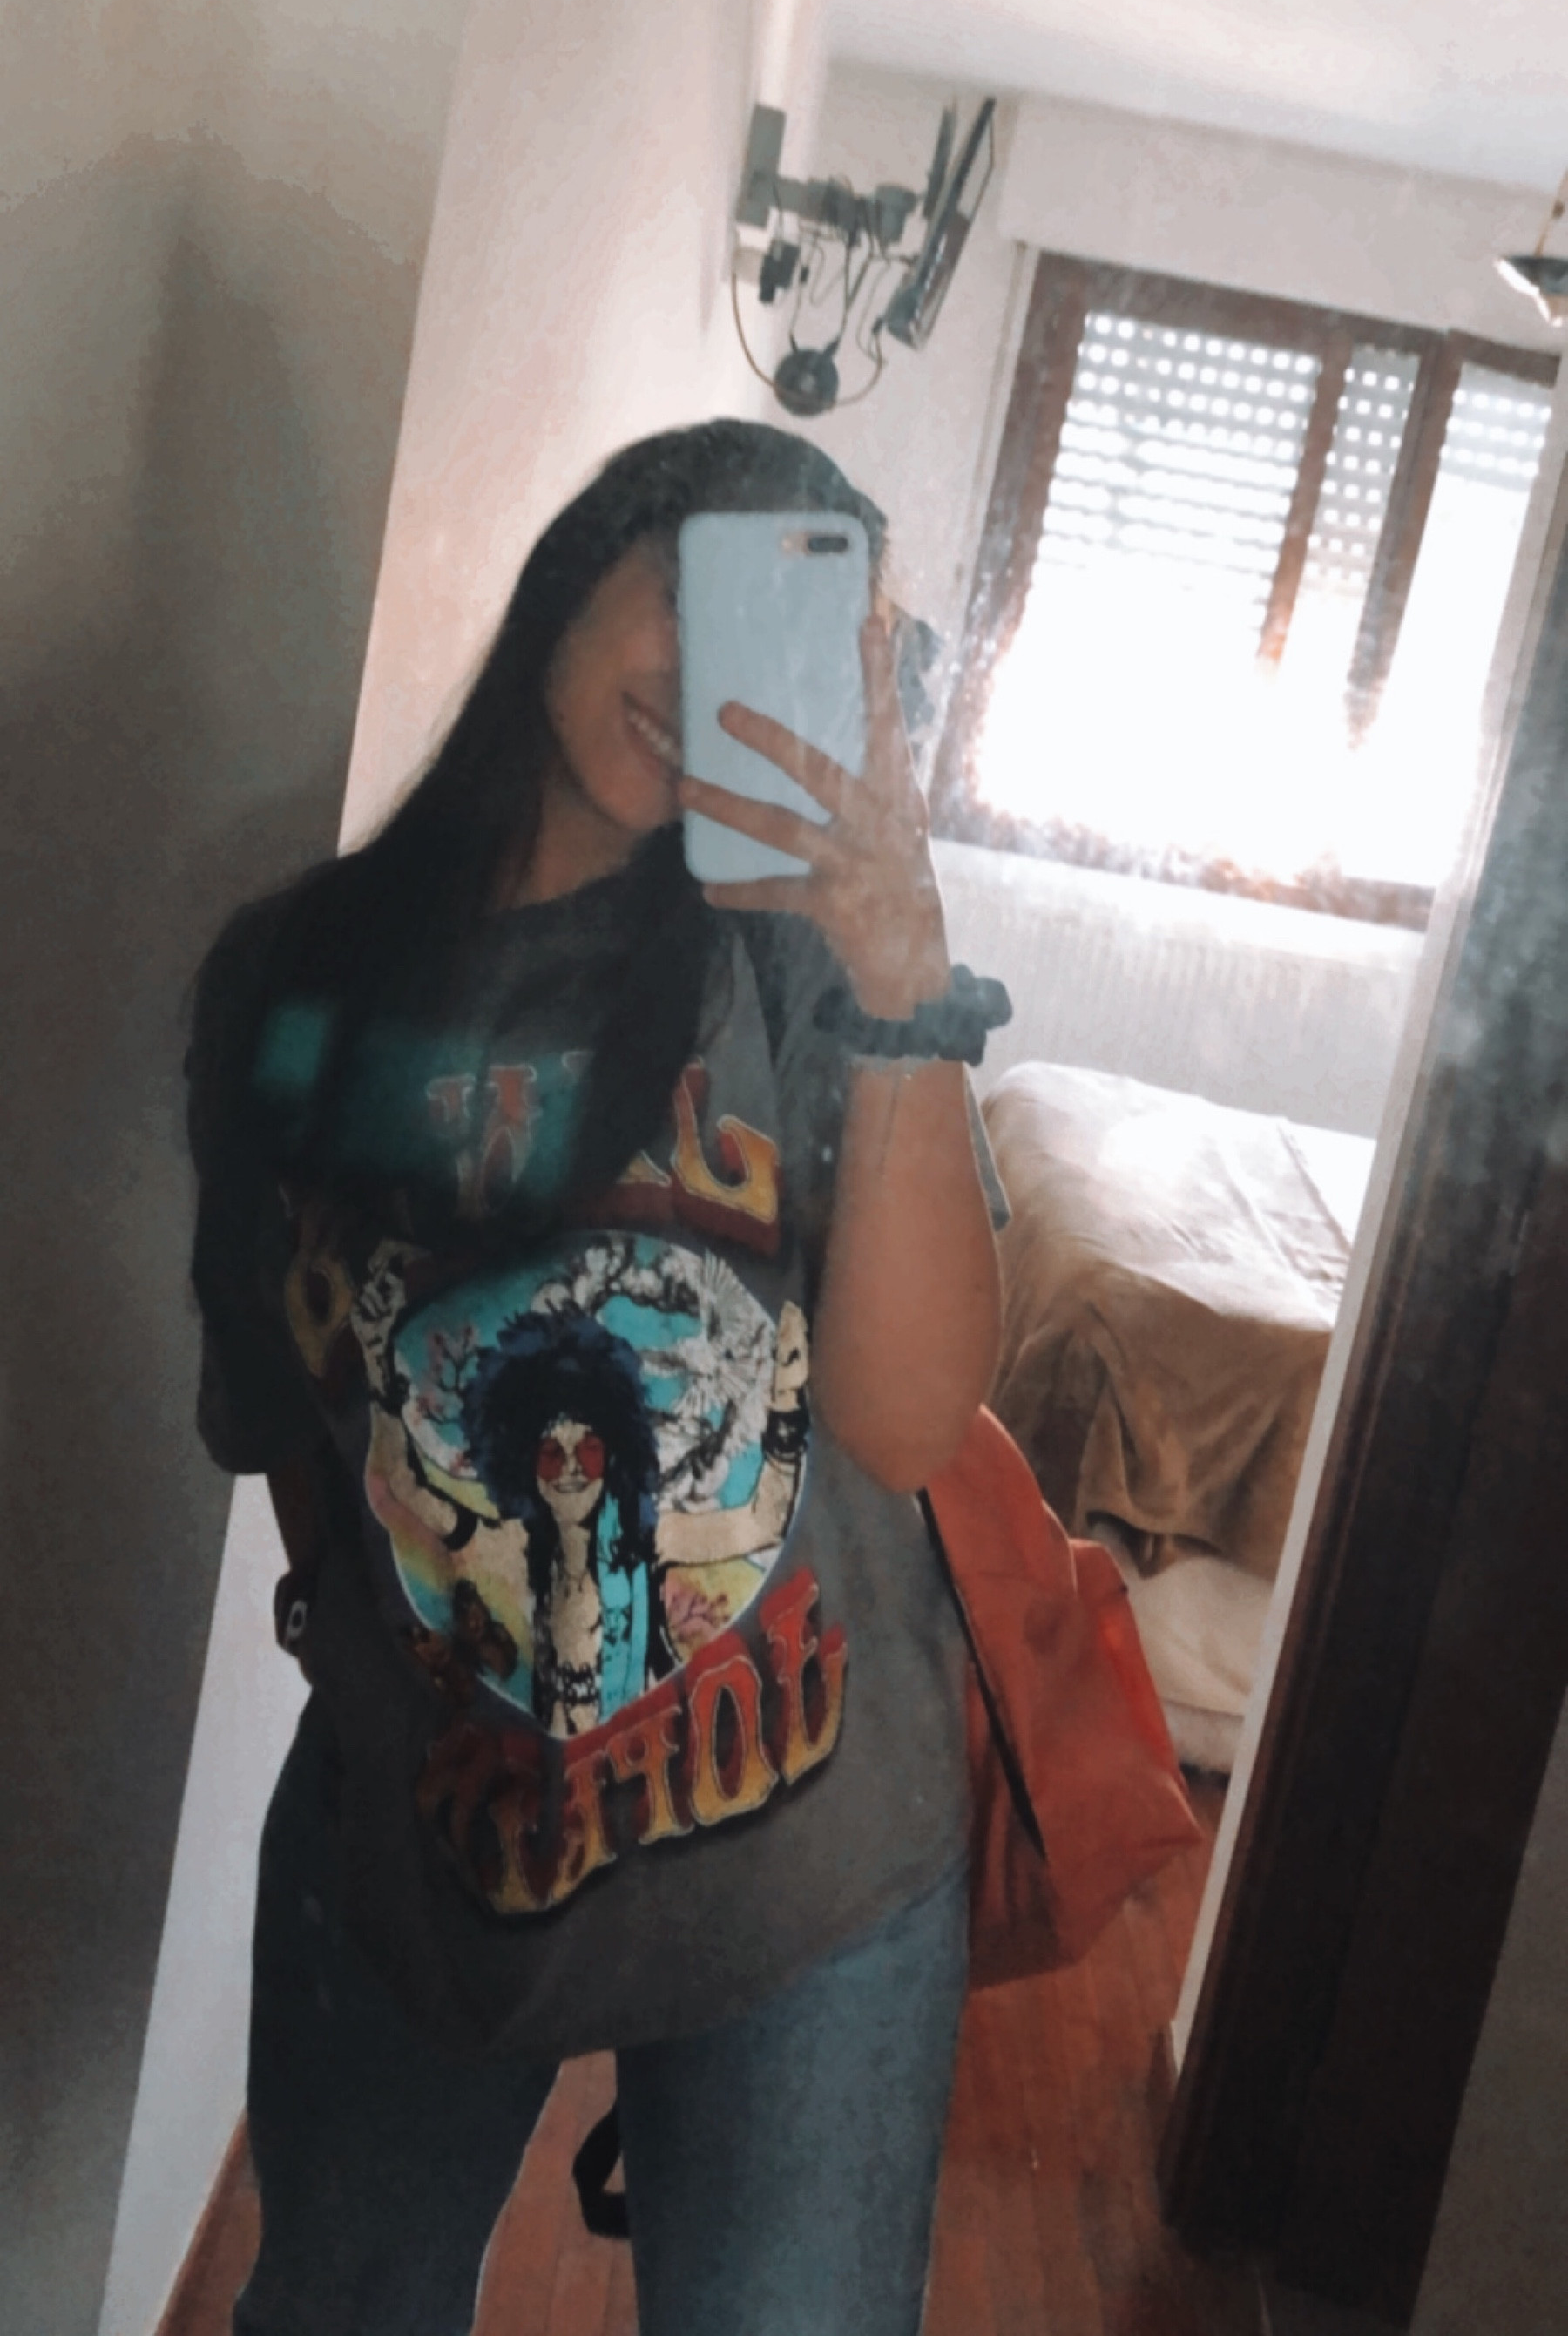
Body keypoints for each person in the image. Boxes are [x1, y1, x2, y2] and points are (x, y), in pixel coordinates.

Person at [187, 417, 1005, 2336]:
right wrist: (356, 1641)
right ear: (585, 559)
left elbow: (906, 1426)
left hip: (813, 1870)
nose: (704, 684)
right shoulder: (295, 985)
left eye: (777, 647)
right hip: (424, 1839)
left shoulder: (797, 974)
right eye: (691, 591)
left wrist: (903, 984)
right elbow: (282, 1384)